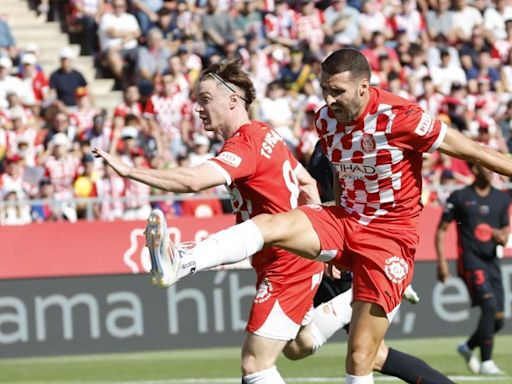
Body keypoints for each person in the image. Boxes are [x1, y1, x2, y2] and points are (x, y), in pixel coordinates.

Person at [98, 48, 512, 384]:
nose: (328, 101)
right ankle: (181, 260)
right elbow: (324, 176)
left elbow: (479, 154)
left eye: (337, 92)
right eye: (324, 91)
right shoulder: (326, 121)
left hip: (389, 237)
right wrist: (321, 224)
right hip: (345, 220)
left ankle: (356, 306)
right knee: (267, 227)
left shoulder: (404, 119)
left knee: (362, 356)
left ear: (365, 87)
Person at [435, 163, 509, 375]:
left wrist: (502, 235)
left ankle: (467, 347)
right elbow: (441, 230)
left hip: (492, 262)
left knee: (498, 319)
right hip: (469, 261)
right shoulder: (459, 197)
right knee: (489, 305)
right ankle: (486, 362)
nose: (490, 170)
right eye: (485, 167)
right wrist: (441, 262)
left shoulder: (502, 198)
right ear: (475, 170)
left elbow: (505, 230)